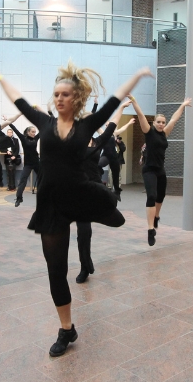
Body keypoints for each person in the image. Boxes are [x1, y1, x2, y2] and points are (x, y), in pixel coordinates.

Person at [0, 62, 152, 358]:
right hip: (51, 205)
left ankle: (97, 211)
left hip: (81, 194)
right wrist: (0, 77)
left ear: (75, 98)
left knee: (115, 216)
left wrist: (138, 76)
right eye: (56, 94)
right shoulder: (44, 122)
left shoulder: (86, 126)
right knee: (56, 271)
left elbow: (114, 100)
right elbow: (18, 100)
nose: (59, 98)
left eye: (65, 94)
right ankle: (66, 329)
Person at [76, 101, 131, 285]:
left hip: (97, 189)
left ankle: (95, 214)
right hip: (80, 193)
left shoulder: (98, 142)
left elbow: (112, 125)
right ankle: (85, 267)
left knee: (119, 220)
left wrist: (121, 108)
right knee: (84, 232)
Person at [130, 96, 191, 246]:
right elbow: (141, 115)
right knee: (151, 196)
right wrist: (134, 101)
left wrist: (183, 105)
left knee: (161, 196)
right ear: (154, 123)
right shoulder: (148, 132)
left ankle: (156, 216)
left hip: (160, 170)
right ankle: (150, 229)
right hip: (149, 170)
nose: (161, 124)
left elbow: (174, 119)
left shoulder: (165, 133)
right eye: (159, 122)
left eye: (163, 122)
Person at [98, 117, 135, 198]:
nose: (107, 127)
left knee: (116, 174)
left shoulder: (114, 133)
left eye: (109, 125)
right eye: (106, 125)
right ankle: (98, 181)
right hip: (106, 155)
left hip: (114, 157)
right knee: (99, 164)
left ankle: (117, 191)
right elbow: (96, 125)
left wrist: (129, 123)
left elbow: (123, 128)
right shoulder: (102, 133)